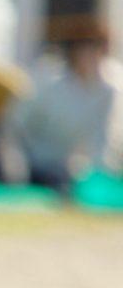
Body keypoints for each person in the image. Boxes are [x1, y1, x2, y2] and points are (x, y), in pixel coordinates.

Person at [12, 25, 122, 193]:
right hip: (40, 162)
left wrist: (100, 174)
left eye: (95, 49)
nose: (89, 56)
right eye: (84, 50)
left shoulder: (109, 90)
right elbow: (20, 125)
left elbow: (102, 139)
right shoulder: (49, 81)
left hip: (77, 169)